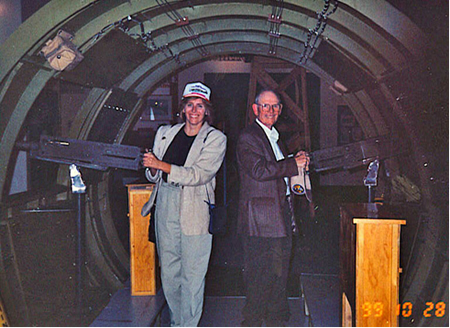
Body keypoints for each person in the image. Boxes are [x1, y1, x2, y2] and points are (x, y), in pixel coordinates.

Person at [141, 82, 227, 327]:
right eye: (190, 105)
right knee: (169, 274)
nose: (194, 110)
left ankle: (188, 325)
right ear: (182, 108)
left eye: (200, 106)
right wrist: (152, 168)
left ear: (207, 110)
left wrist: (161, 166)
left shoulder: (215, 138)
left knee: (193, 276)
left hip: (194, 209)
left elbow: (198, 174)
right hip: (165, 204)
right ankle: (176, 323)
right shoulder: (165, 133)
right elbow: (153, 175)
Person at [236, 89, 309, 326]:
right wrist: (291, 164)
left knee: (278, 276)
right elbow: (258, 171)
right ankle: (255, 323)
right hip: (261, 222)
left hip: (279, 217)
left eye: (275, 106)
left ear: (280, 110)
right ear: (255, 109)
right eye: (265, 106)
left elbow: (277, 168)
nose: (270, 111)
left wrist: (294, 161)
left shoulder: (274, 137)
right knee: (260, 279)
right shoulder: (249, 136)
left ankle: (276, 321)